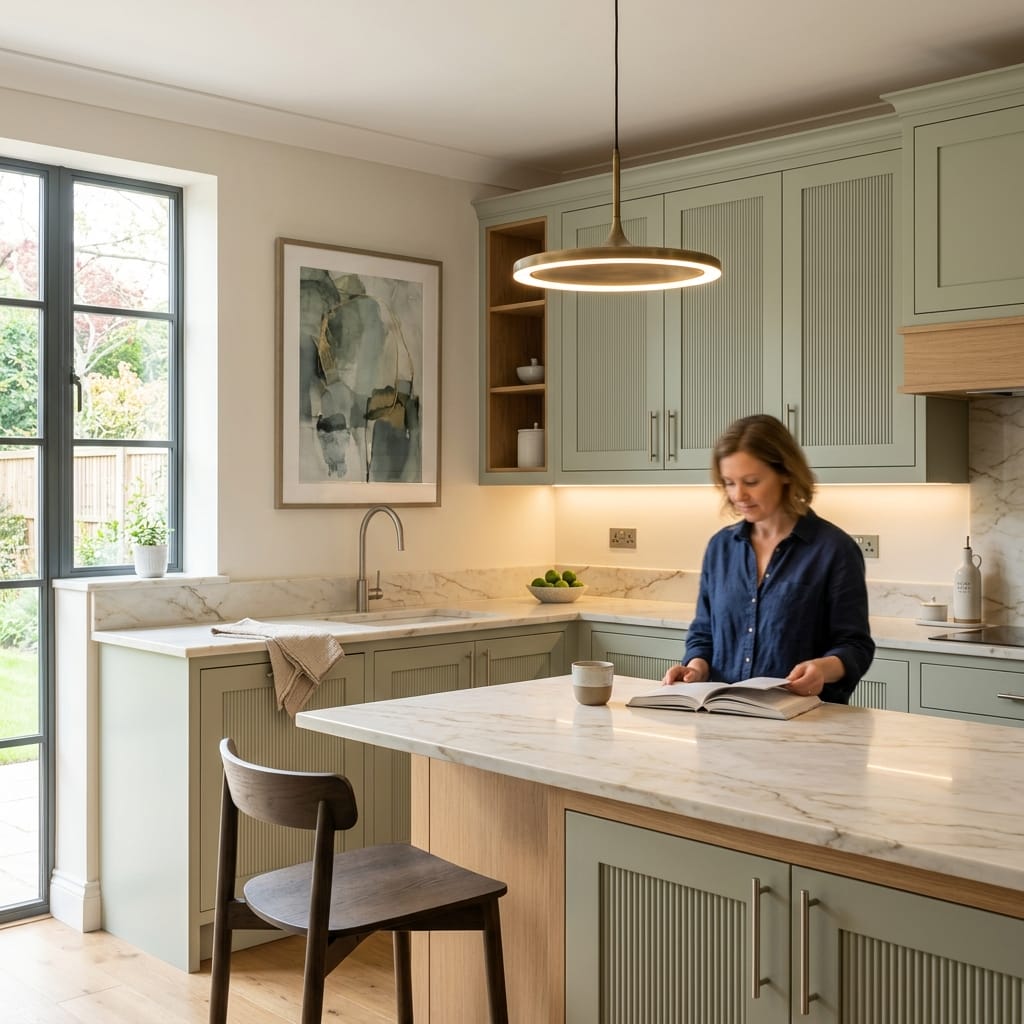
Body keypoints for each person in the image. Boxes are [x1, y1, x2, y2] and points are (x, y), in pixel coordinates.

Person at [661, 414, 874, 704]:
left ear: (786, 473)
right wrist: (695, 668)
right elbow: (704, 632)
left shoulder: (834, 550)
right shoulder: (720, 547)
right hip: (724, 716)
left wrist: (823, 669)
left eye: (751, 481)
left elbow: (855, 646)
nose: (739, 495)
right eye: (729, 483)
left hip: (802, 719)